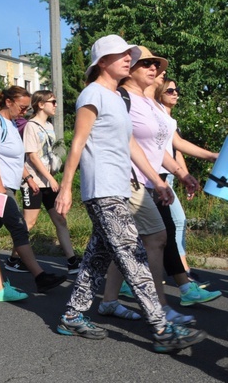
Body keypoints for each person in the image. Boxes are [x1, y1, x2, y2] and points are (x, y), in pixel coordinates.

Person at [54, 35, 205, 353]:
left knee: (97, 257)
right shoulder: (92, 94)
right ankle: (162, 329)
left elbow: (131, 145)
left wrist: (159, 182)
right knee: (134, 256)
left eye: (128, 54)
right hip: (102, 190)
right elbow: (78, 143)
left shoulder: (118, 99)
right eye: (120, 54)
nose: (128, 58)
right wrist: (65, 188)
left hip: (119, 188)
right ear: (102, 62)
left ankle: (72, 315)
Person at [100, 49, 220, 322]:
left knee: (125, 243)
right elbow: (125, 144)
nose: (154, 68)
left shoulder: (150, 104)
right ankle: (160, 307)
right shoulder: (121, 98)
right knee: (157, 238)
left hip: (150, 181)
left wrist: (180, 173)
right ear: (129, 67)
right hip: (128, 181)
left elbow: (156, 146)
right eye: (146, 63)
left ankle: (107, 301)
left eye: (157, 64)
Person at [0, 86, 66, 297]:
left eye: (27, 108)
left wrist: (27, 177)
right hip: (1, 188)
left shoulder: (11, 123)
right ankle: (40, 276)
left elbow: (16, 159)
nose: (25, 111)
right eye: (22, 106)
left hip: (10, 186)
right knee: (18, 228)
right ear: (8, 102)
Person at [155, 77, 217, 286]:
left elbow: (176, 149)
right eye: (170, 90)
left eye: (176, 89)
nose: (175, 93)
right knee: (168, 226)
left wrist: (185, 176)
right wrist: (211, 156)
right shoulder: (154, 114)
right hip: (154, 178)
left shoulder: (169, 120)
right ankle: (183, 274)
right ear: (159, 93)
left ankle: (179, 273)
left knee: (164, 228)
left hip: (167, 176)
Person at [14, 90, 80, 274]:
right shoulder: (31, 126)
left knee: (60, 219)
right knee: (29, 222)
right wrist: (50, 178)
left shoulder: (49, 126)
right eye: (53, 101)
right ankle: (14, 259)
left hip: (48, 182)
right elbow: (32, 156)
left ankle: (72, 260)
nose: (56, 105)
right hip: (34, 182)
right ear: (41, 104)